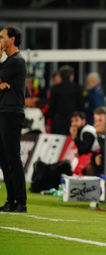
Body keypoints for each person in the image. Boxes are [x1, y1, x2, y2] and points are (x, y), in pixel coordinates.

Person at [0, 25, 27, 212]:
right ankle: (11, 200)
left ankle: (20, 201)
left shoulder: (16, 61)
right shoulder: (7, 61)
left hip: (11, 112)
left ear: (12, 39)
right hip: (3, 111)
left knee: (12, 157)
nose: (0, 41)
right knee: (4, 159)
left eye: (2, 37)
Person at [49, 65, 84, 135]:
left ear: (60, 76)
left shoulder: (55, 89)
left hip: (58, 122)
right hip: (73, 121)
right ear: (71, 77)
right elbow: (81, 106)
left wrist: (53, 118)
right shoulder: (77, 88)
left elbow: (52, 107)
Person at [69, 111, 99, 176]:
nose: (74, 124)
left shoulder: (87, 131)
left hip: (95, 158)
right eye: (72, 121)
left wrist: (74, 138)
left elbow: (85, 149)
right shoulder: (83, 131)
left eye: (77, 120)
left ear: (83, 121)